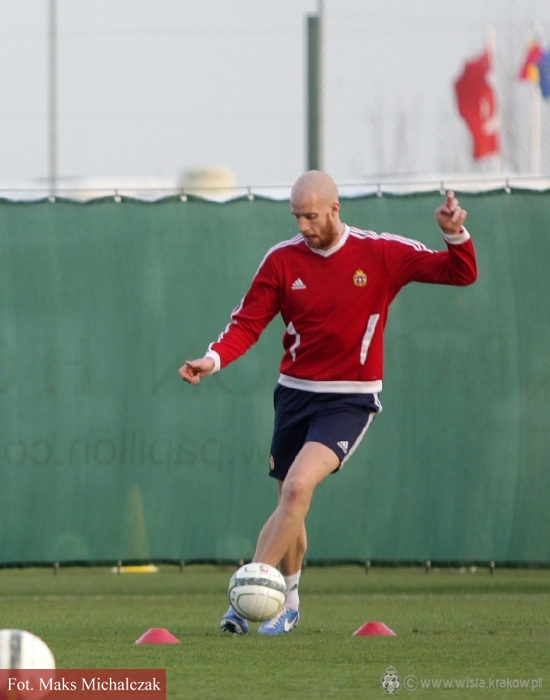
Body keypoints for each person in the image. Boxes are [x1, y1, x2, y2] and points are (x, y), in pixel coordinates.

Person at [179, 170, 477, 636]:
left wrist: (453, 232)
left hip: (349, 399)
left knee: (298, 488)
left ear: (335, 209)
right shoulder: (281, 260)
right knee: (289, 501)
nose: (303, 226)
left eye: (311, 216)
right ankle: (289, 602)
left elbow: (460, 272)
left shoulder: (380, 253)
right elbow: (247, 323)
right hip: (294, 395)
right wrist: (213, 360)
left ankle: (246, 594)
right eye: (296, 217)